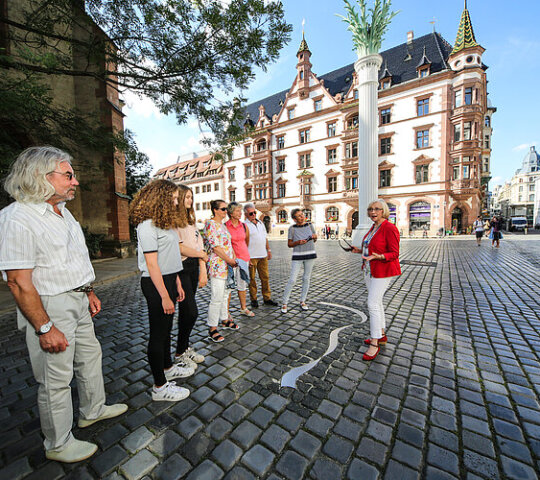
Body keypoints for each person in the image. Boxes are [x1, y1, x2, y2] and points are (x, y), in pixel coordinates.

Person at [0, 146, 127, 463]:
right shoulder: (17, 218)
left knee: (90, 357)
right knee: (55, 379)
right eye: (68, 175)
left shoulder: (63, 212)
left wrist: (89, 291)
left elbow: (72, 260)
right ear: (42, 177)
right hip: (50, 305)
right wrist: (44, 327)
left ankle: (92, 410)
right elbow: (17, 281)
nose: (76, 182)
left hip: (78, 299)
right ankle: (57, 443)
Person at [130, 180, 194, 403]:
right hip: (155, 284)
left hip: (168, 280)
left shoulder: (163, 223)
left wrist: (176, 281)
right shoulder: (146, 226)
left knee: (167, 330)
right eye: (174, 198)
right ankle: (159, 387)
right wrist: (165, 295)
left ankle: (168, 367)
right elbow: (152, 265)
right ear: (161, 197)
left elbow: (170, 257)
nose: (176, 201)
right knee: (158, 335)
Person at [352, 199, 401, 362]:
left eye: (377, 209)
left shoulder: (389, 227)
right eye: (370, 209)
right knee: (377, 303)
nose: (373, 212)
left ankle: (374, 342)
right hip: (369, 269)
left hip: (383, 270)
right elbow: (371, 247)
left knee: (372, 303)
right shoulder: (374, 227)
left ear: (384, 211)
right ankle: (381, 334)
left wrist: (380, 256)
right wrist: (359, 250)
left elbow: (394, 253)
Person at [175, 184, 207, 368]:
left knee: (187, 313)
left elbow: (199, 246)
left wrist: (202, 268)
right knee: (191, 311)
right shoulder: (173, 221)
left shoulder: (190, 221)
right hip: (181, 267)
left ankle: (183, 348)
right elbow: (179, 247)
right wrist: (201, 256)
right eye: (186, 197)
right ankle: (180, 351)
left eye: (191, 197)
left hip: (194, 265)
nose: (190, 200)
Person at [203, 200, 239, 342]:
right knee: (216, 297)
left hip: (228, 265)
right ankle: (212, 328)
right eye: (223, 209)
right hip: (218, 265)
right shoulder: (210, 224)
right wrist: (229, 260)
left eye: (226, 209)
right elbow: (215, 247)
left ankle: (224, 319)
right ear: (215, 210)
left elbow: (228, 244)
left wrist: (233, 258)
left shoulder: (222, 225)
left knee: (225, 294)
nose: (226, 211)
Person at [281, 208, 318, 313]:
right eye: (299, 216)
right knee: (292, 280)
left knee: (306, 278)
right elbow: (289, 244)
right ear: (294, 219)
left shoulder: (310, 225)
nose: (302, 217)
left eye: (302, 215)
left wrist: (315, 237)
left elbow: (314, 239)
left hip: (310, 255)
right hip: (297, 256)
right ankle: (285, 303)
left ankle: (303, 301)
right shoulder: (292, 228)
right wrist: (297, 242)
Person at [244, 203, 278, 308]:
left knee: (265, 277)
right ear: (245, 214)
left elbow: (265, 238)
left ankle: (267, 298)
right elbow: (243, 242)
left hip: (263, 255)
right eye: (251, 213)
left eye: (254, 212)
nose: (253, 215)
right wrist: (246, 257)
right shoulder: (244, 225)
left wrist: (268, 250)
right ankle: (253, 299)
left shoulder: (260, 223)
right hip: (251, 257)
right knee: (252, 279)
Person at [225, 202, 254, 317]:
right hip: (231, 261)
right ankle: (226, 312)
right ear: (231, 213)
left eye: (240, 211)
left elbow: (246, 241)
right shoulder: (225, 226)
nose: (240, 213)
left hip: (244, 258)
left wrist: (248, 257)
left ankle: (243, 308)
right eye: (237, 211)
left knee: (242, 284)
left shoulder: (243, 226)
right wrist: (231, 258)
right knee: (229, 286)